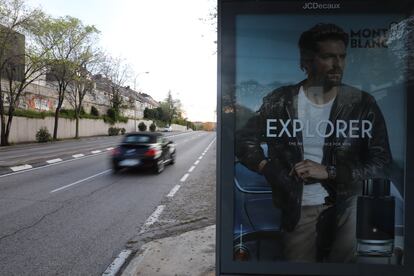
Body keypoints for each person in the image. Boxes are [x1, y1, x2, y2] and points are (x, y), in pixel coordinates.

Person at [235, 23, 392, 262]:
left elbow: (381, 162)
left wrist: (329, 172)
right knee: (298, 264)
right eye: (328, 57)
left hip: (350, 202)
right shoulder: (280, 101)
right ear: (307, 62)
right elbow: (244, 141)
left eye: (342, 57)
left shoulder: (362, 103)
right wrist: (268, 169)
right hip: (300, 206)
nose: (337, 64)